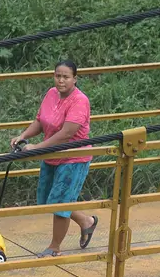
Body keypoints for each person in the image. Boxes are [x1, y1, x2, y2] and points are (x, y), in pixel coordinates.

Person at [9, 60, 98, 257]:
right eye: (58, 76)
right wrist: (23, 137)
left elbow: (67, 133)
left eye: (66, 77)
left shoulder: (80, 101)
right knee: (49, 199)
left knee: (59, 203)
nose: (61, 80)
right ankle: (86, 222)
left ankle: (54, 247)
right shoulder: (51, 94)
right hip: (52, 154)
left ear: (75, 79)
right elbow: (40, 121)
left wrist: (37, 148)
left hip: (73, 157)